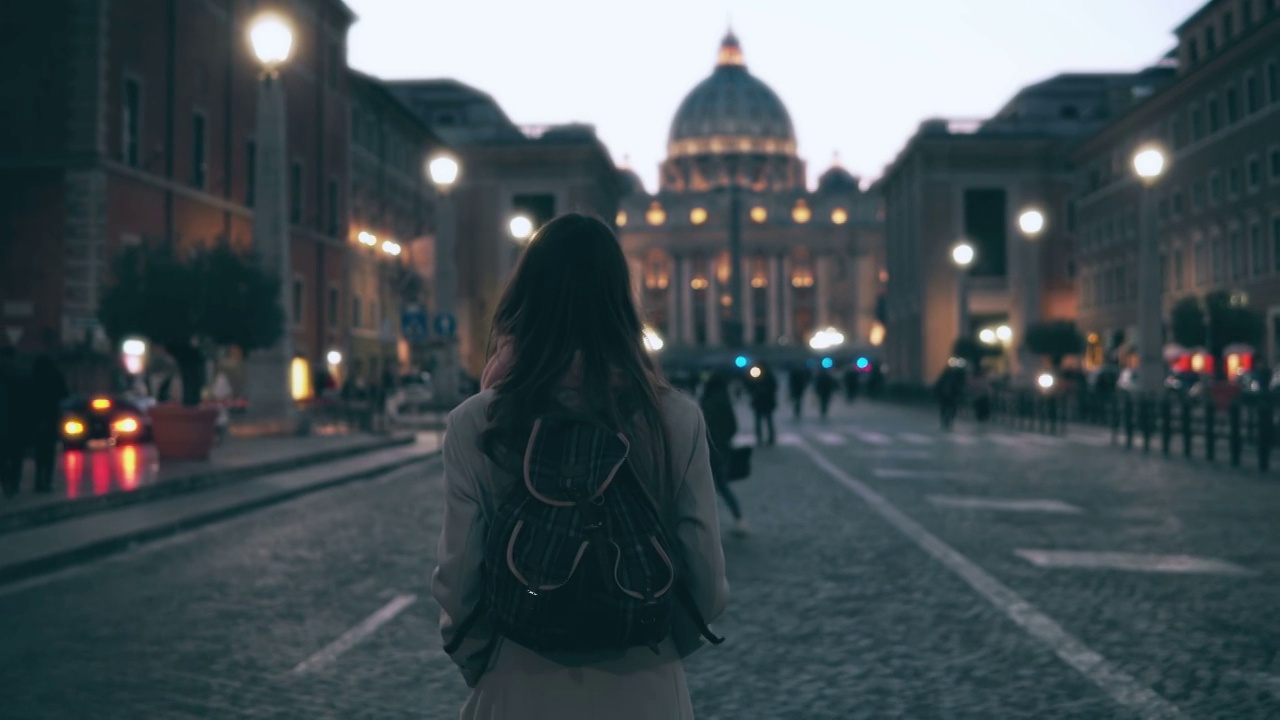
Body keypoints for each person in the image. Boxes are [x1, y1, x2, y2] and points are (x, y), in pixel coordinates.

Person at [434, 214, 728, 719]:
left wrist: (488, 663)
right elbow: (706, 580)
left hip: (518, 685)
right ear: (621, 300)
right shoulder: (675, 418)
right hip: (647, 690)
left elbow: (459, 582)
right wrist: (649, 647)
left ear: (524, 296)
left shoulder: (476, 421)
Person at [699, 372, 747, 535]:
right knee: (720, 485)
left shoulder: (708, 402)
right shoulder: (724, 401)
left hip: (709, 450)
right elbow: (733, 426)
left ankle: (708, 524)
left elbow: (703, 427)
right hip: (722, 449)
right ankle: (738, 518)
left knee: (709, 486)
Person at [29, 355, 68, 493]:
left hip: (37, 418)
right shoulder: (55, 376)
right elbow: (65, 393)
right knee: (49, 450)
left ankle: (39, 480)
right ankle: (47, 480)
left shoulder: (33, 377)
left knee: (40, 451)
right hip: (51, 417)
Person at [0, 347, 23, 498]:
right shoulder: (20, 374)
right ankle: (12, 483)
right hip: (15, 423)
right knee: (14, 455)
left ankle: (8, 482)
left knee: (5, 455)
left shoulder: (18, 374)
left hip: (9, 423)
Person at [747, 364, 778, 446]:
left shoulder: (766, 377)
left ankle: (765, 438)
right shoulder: (761, 377)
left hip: (764, 401)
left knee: (765, 421)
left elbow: (773, 387)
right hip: (762, 402)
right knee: (764, 421)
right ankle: (762, 437)